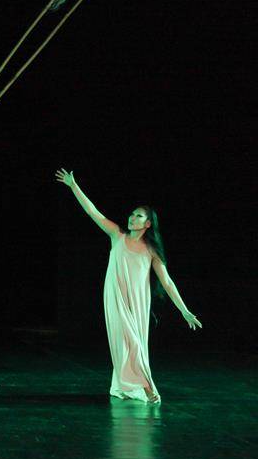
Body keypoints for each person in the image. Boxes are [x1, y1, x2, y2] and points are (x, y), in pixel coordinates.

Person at [55, 169, 202, 403]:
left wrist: (184, 310)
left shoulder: (151, 250)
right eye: (132, 214)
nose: (132, 218)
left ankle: (127, 385)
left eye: (139, 216)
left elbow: (167, 282)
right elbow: (92, 211)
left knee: (135, 343)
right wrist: (73, 186)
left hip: (139, 301)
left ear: (148, 224)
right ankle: (147, 386)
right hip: (115, 297)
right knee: (127, 342)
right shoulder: (117, 236)